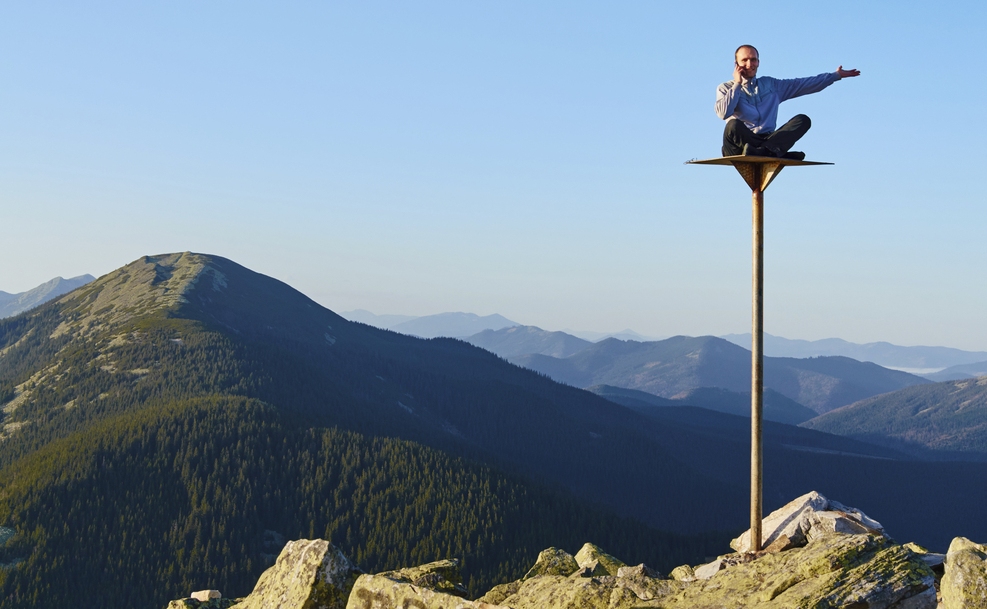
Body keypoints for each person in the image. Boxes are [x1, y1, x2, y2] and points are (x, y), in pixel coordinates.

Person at [716, 45, 860, 159]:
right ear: (736, 64)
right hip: (741, 145)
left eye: (753, 59)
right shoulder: (726, 88)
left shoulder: (770, 85)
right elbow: (724, 113)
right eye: (744, 60)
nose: (749, 64)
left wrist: (835, 76)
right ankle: (776, 152)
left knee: (802, 120)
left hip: (767, 139)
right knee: (732, 125)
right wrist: (737, 84)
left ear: (758, 62)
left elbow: (801, 84)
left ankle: (768, 150)